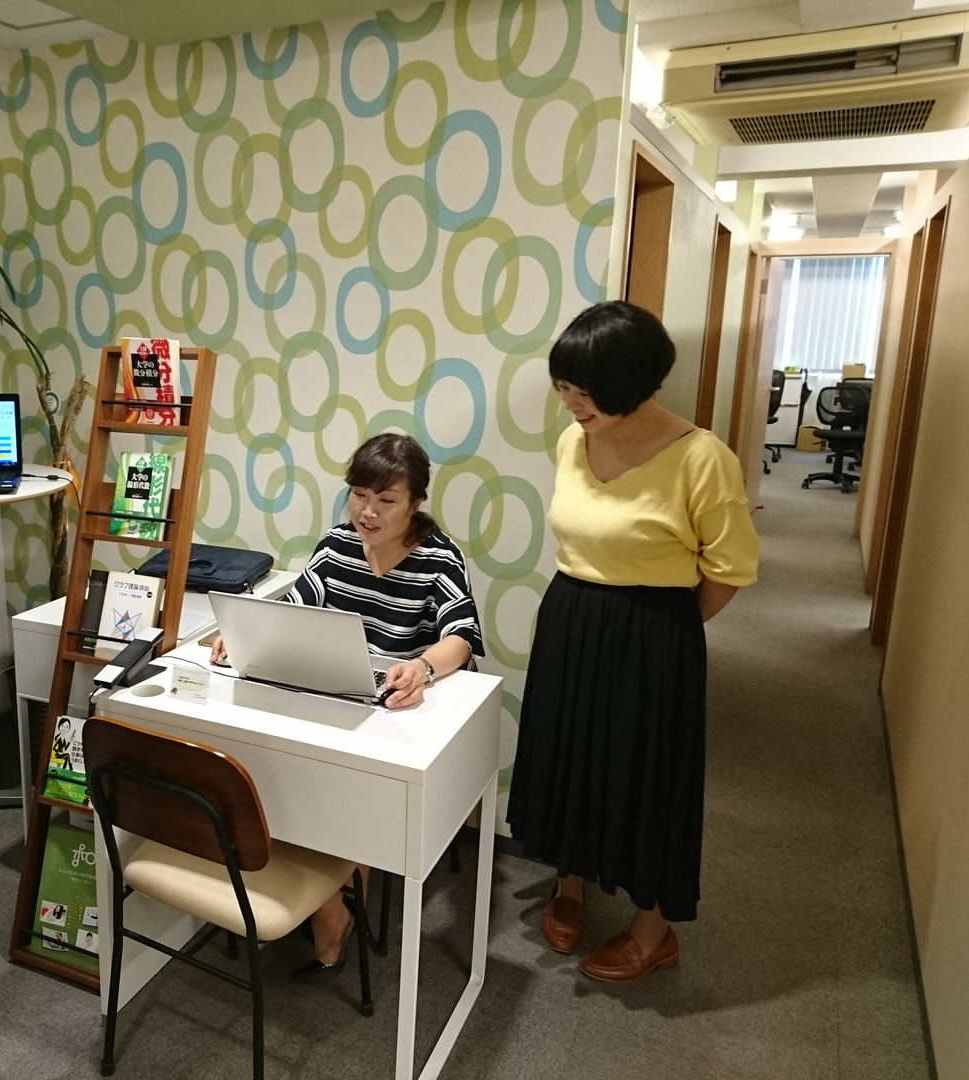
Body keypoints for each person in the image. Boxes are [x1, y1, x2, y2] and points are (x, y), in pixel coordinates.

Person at [505, 300, 760, 983]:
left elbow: (729, 572)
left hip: (653, 634)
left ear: (633, 383)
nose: (570, 404)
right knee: (570, 755)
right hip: (571, 618)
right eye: (563, 387)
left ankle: (654, 929)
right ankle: (569, 883)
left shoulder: (703, 459)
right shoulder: (575, 441)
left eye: (584, 391)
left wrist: (662, 633)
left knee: (646, 775)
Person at [211, 433, 484, 975]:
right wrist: (246, 633)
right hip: (339, 691)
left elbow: (462, 637)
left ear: (416, 503)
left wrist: (422, 668)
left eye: (387, 500)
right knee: (273, 764)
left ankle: (333, 907)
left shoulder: (439, 558)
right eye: (359, 495)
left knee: (351, 788)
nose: (368, 512)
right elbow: (298, 604)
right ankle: (321, 891)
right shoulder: (337, 545)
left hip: (400, 703)